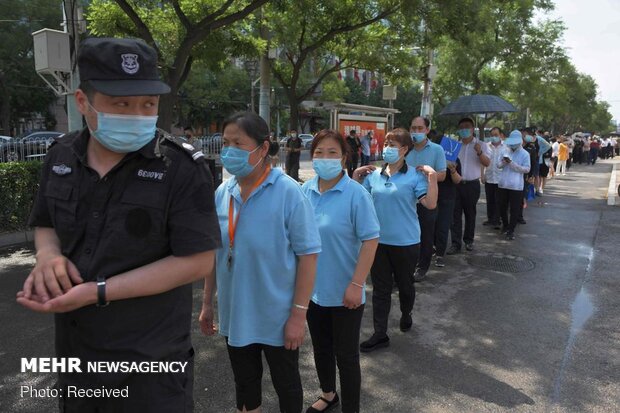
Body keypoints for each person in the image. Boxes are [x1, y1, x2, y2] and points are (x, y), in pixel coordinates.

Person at [17, 37, 221, 412]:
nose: (137, 114)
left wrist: (98, 291)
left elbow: (197, 261)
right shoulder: (61, 155)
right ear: (83, 102)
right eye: (121, 103)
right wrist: (47, 256)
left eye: (148, 104)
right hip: (77, 356)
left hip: (151, 363)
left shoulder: (181, 168)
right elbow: (46, 221)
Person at [199, 112, 321, 413]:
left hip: (278, 317)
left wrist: (298, 316)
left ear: (263, 148)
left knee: (287, 384)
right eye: (226, 143)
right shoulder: (222, 193)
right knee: (245, 384)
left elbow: (308, 257)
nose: (229, 150)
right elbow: (215, 252)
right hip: (235, 313)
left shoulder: (289, 192)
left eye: (238, 143)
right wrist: (207, 302)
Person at [301, 129, 380, 413]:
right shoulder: (304, 191)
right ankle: (328, 394)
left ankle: (352, 408)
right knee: (321, 349)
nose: (325, 158)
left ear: (345, 158)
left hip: (346, 290)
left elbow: (371, 240)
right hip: (312, 290)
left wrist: (357, 284)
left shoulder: (356, 195)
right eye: (319, 153)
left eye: (332, 152)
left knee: (346, 356)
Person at [352, 128, 437, 352]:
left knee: (405, 285)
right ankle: (380, 334)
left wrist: (432, 177)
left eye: (393, 144)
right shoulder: (373, 175)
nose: (387, 148)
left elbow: (429, 204)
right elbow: (358, 202)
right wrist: (354, 177)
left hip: (406, 243)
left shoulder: (414, 176)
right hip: (377, 243)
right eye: (386, 143)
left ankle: (406, 312)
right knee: (381, 289)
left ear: (405, 149)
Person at [405, 116, 446, 281]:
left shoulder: (437, 150)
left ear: (427, 130)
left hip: (427, 199)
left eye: (420, 128)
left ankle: (422, 267)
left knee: (426, 235)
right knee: (408, 234)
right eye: (413, 128)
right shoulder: (405, 149)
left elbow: (442, 175)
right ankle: (408, 264)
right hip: (406, 200)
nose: (416, 132)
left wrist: (430, 173)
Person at [447, 117, 490, 254]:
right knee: (455, 214)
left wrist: (479, 152)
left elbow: (487, 163)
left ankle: (469, 240)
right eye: (462, 127)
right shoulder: (455, 146)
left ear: (472, 129)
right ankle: (455, 243)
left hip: (472, 185)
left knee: (470, 213)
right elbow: (448, 162)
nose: (464, 129)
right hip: (456, 184)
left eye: (467, 127)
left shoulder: (481, 145)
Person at [430, 133, 462, 268]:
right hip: (430, 195)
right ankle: (431, 248)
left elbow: (458, 180)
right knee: (430, 226)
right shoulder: (430, 157)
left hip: (447, 197)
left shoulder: (454, 159)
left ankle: (439, 255)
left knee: (443, 226)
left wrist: (453, 170)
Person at [497, 130, 531, 240]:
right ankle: (505, 225)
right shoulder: (505, 150)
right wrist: (503, 162)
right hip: (503, 184)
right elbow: (498, 165)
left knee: (514, 209)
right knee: (502, 207)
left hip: (516, 186)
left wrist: (512, 164)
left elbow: (527, 169)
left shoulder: (525, 154)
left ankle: (511, 230)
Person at [482, 127, 504, 228]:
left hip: (500, 178)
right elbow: (482, 161)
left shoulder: (506, 147)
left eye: (496, 135)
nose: (494, 137)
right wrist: (482, 174)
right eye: (492, 135)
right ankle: (490, 219)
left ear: (500, 135)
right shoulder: (486, 146)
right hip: (489, 176)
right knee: (490, 199)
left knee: (498, 200)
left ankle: (497, 220)